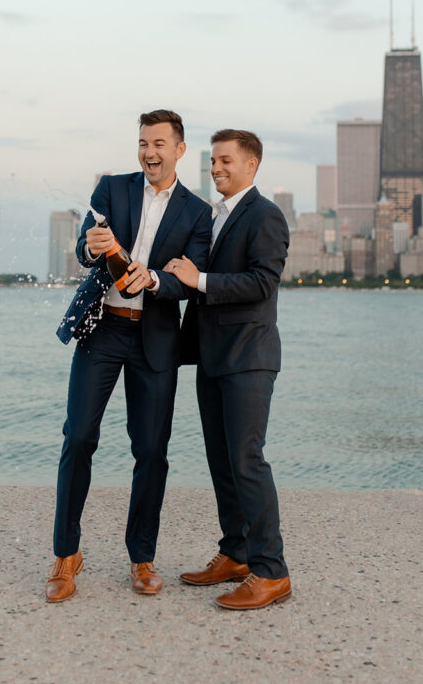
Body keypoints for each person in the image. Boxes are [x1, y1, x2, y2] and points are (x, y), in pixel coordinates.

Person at [47, 109, 212, 602]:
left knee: (151, 452)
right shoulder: (111, 189)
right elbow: (82, 249)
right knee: (78, 437)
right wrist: (93, 248)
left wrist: (156, 278)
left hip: (156, 338)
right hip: (102, 332)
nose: (149, 152)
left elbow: (190, 279)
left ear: (179, 150)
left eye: (159, 144)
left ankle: (142, 557)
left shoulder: (198, 212)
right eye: (143, 143)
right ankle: (65, 555)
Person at [165, 129, 291, 610]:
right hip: (212, 358)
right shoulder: (212, 217)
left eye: (225, 161)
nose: (216, 168)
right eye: (213, 161)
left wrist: (200, 279)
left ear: (251, 164)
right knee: (222, 461)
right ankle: (235, 552)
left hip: (249, 358)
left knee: (247, 460)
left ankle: (271, 571)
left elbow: (262, 282)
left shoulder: (266, 215)